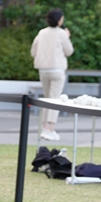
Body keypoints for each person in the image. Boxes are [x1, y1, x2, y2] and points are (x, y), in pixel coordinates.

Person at [30, 9, 73, 141]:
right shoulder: (62, 34)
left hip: (43, 69)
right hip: (57, 69)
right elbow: (69, 51)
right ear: (59, 20)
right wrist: (67, 37)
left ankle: (44, 127)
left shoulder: (41, 32)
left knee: (47, 98)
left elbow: (33, 52)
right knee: (55, 99)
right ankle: (50, 129)